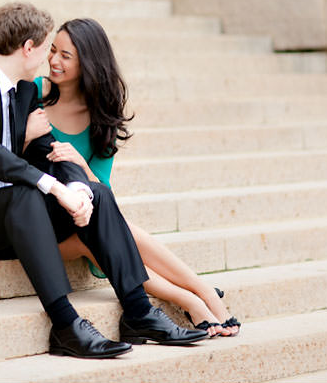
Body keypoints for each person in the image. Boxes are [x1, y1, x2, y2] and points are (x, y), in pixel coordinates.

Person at [0, 2, 206, 360]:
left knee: (95, 192)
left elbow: (51, 151)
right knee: (27, 195)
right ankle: (66, 325)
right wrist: (54, 187)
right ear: (28, 47)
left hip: (18, 220)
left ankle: (138, 311)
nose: (49, 60)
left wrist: (77, 190)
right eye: (47, 47)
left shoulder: (26, 92)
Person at [25, 18, 241, 338]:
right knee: (104, 237)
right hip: (39, 220)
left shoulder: (102, 112)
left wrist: (79, 163)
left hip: (84, 214)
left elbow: (102, 190)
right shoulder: (33, 95)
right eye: (53, 51)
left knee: (113, 228)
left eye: (66, 56)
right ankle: (192, 299)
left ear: (89, 62)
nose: (54, 61)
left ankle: (204, 293)